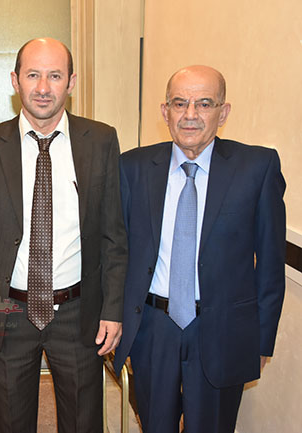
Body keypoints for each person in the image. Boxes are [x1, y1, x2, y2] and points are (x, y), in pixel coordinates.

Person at [0, 38, 127, 433]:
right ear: (15, 80)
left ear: (71, 82)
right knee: (11, 422)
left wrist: (113, 309)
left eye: (54, 76)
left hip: (78, 311)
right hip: (7, 311)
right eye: (33, 75)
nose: (43, 87)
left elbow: (114, 237)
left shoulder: (101, 140)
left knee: (83, 423)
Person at [113, 65, 286, 433]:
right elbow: (116, 253)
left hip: (222, 330)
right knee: (154, 424)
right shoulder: (132, 167)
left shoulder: (257, 167)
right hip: (153, 329)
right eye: (180, 103)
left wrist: (261, 339)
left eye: (204, 104)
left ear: (223, 113)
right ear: (165, 112)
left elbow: (271, 264)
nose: (190, 114)